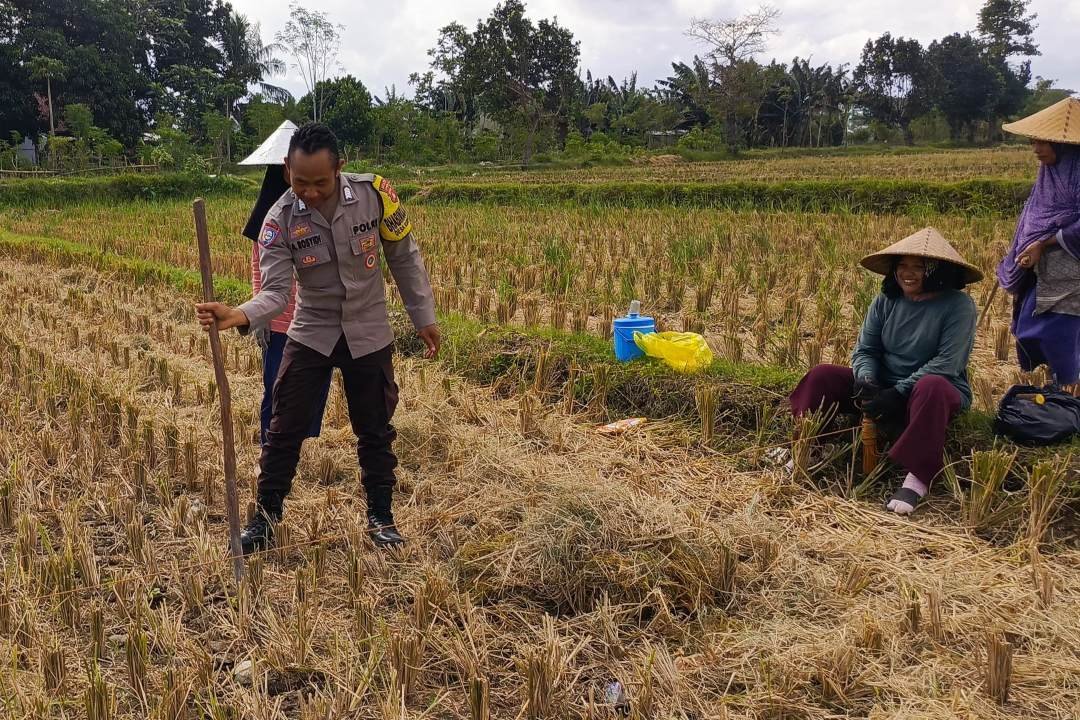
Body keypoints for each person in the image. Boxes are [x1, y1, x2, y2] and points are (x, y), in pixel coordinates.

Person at [197, 123, 441, 552]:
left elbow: (403, 256)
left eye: (319, 183)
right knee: (283, 426)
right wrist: (239, 314)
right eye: (299, 180)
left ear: (340, 169)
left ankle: (381, 518)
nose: (308, 191)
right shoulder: (278, 220)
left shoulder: (377, 194)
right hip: (312, 330)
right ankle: (265, 519)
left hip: (368, 330)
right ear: (287, 168)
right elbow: (275, 293)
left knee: (375, 428)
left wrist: (422, 315)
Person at [789, 228, 981, 515]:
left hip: (930, 389)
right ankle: (809, 445)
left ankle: (917, 477)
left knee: (933, 386)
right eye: (902, 265)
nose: (909, 273)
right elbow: (866, 349)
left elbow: (948, 363)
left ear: (937, 270)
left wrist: (898, 391)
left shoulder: (958, 306)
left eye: (919, 267)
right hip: (884, 383)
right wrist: (867, 379)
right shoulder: (886, 300)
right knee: (822, 375)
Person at [238, 120, 332, 445]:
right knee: (278, 386)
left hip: (317, 319)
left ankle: (297, 446)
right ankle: (271, 446)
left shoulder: (325, 208)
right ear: (285, 170)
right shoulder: (272, 217)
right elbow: (257, 264)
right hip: (280, 320)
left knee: (313, 387)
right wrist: (258, 315)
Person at [996, 97, 1080, 392]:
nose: (1036, 148)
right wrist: (1025, 246)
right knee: (1027, 329)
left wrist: (1045, 242)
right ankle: (1048, 386)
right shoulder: (1048, 175)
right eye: (1033, 141)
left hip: (1069, 269)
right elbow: (1034, 213)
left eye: (1042, 142)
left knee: (1057, 330)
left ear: (1063, 145)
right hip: (1037, 265)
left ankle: (1068, 388)